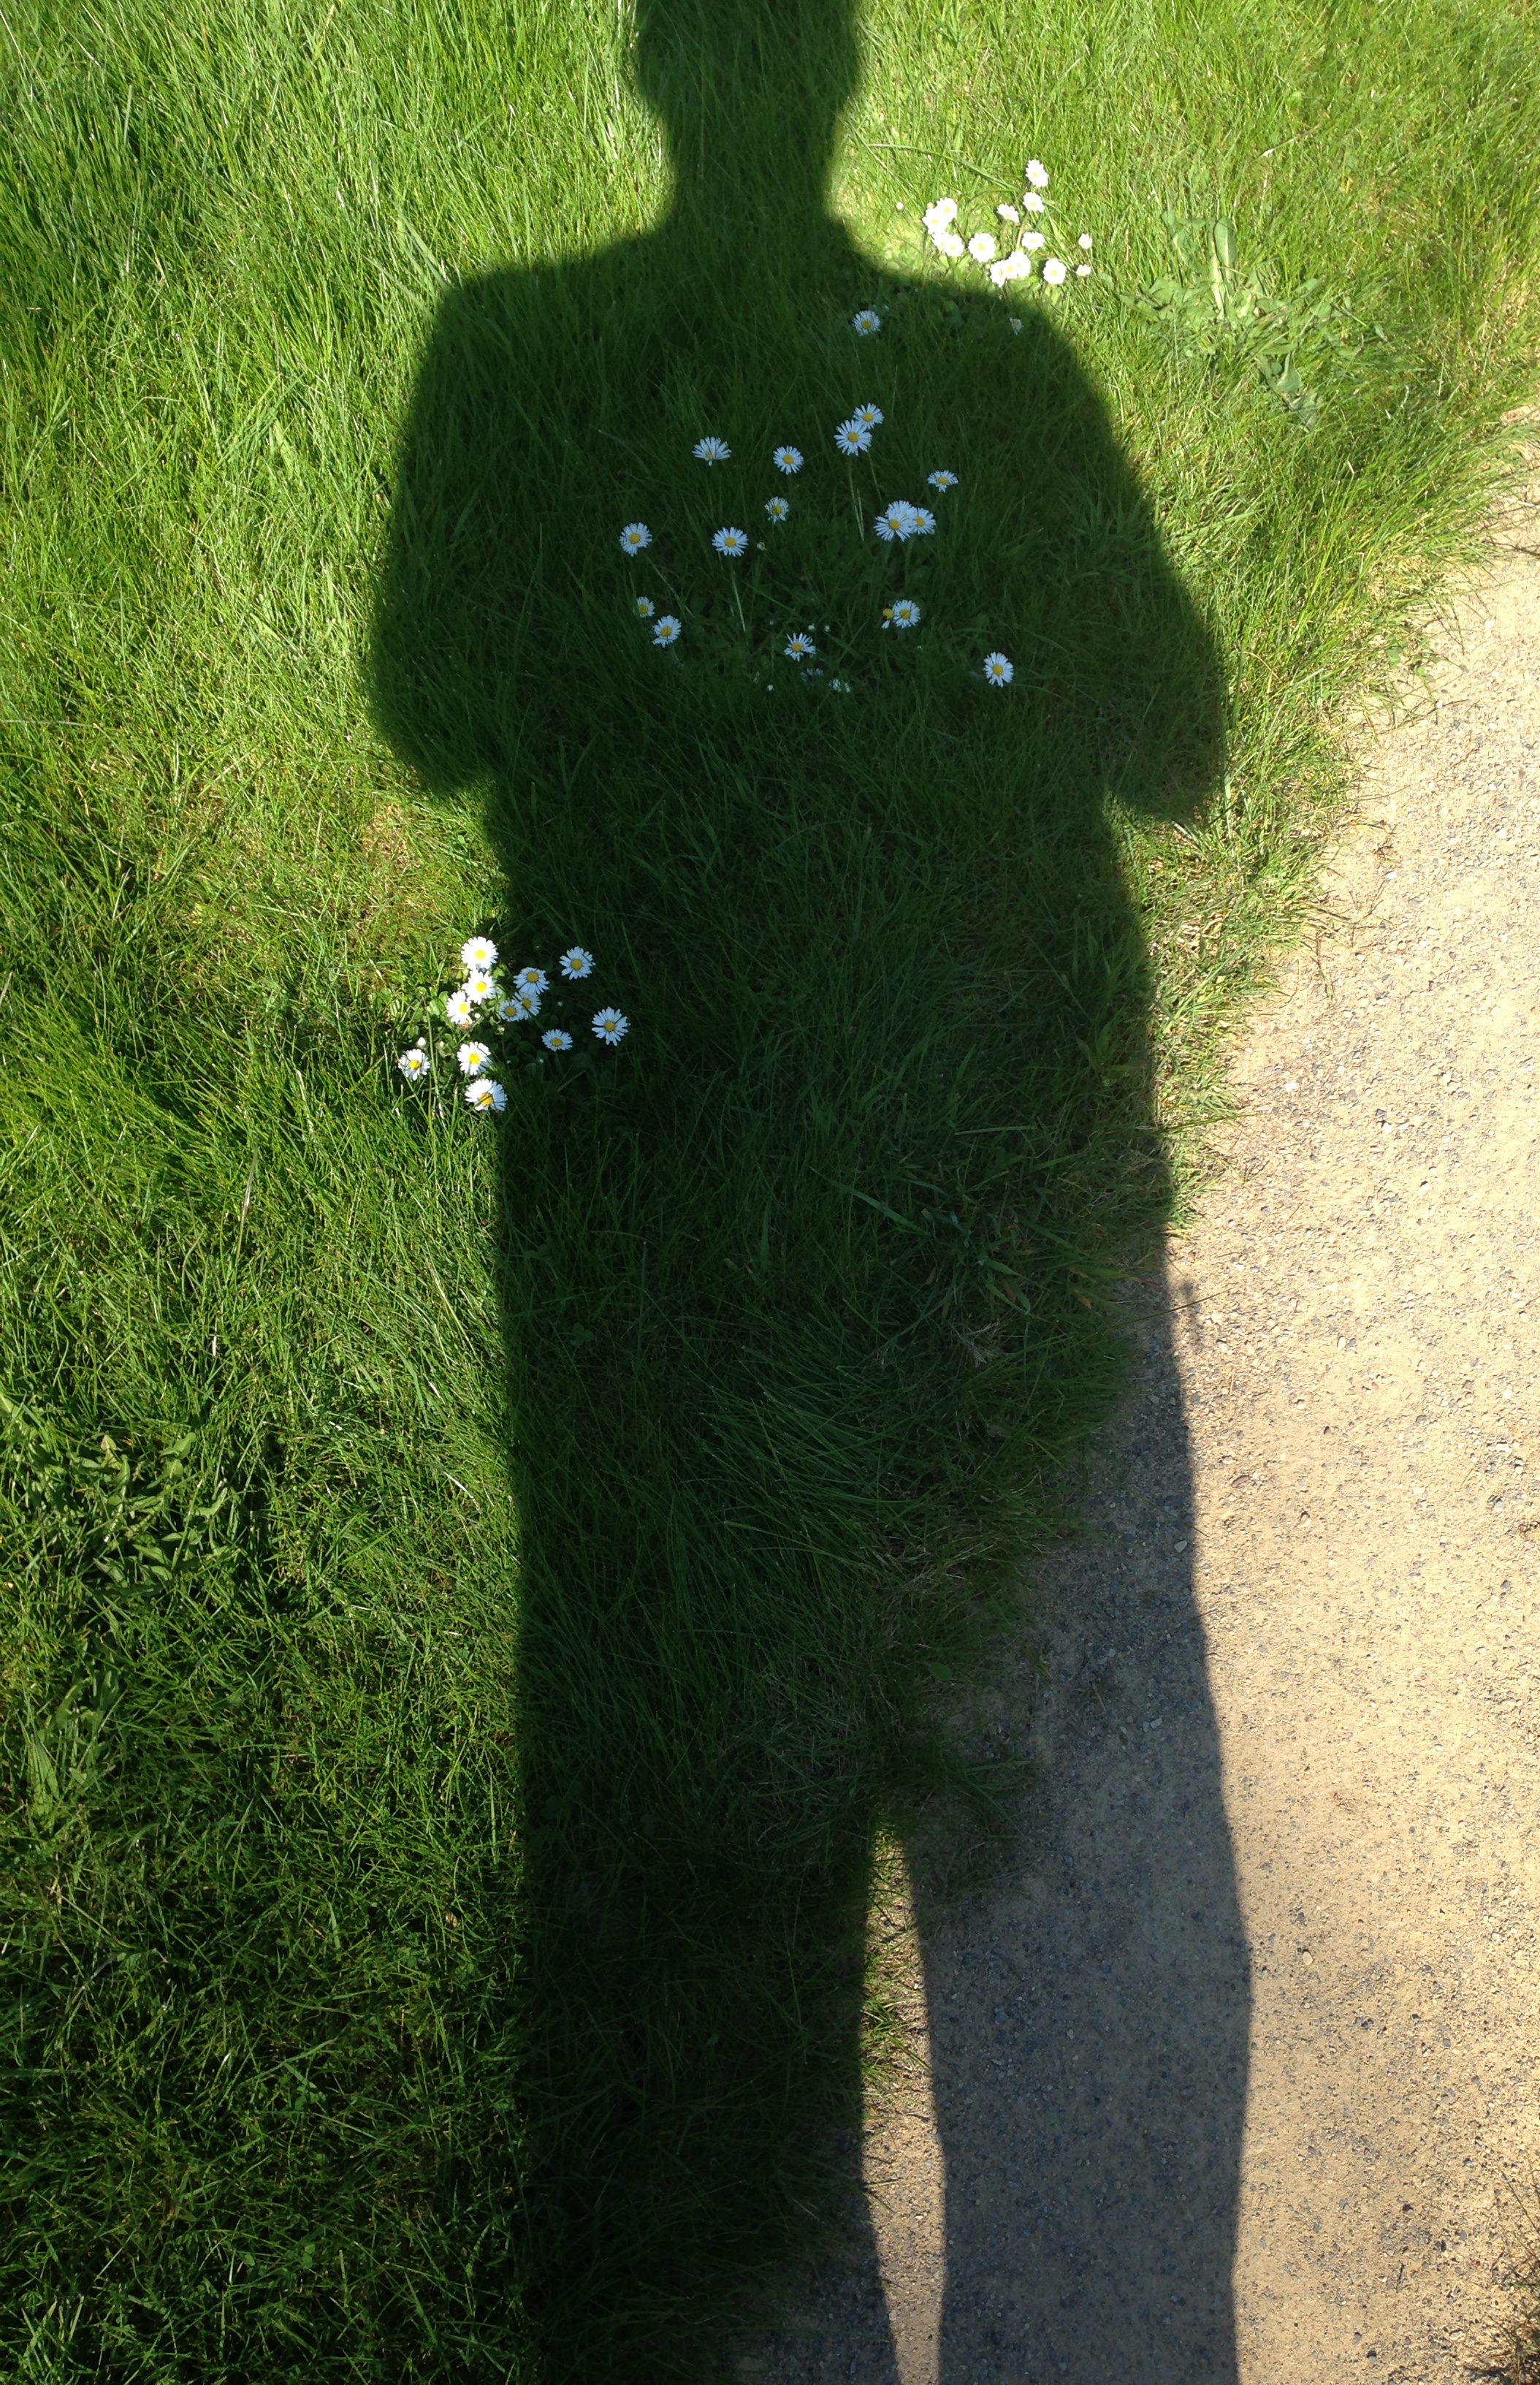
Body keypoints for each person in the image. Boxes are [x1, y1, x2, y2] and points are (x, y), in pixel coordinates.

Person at [372, 0, 1238, 2370]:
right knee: (1069, 1766)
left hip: (658, 1165)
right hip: (1008, 1147)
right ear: (837, 86)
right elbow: (1178, 742)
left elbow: (431, 711)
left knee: (701, 1833)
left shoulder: (507, 345)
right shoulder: (995, 363)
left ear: (651, 81)